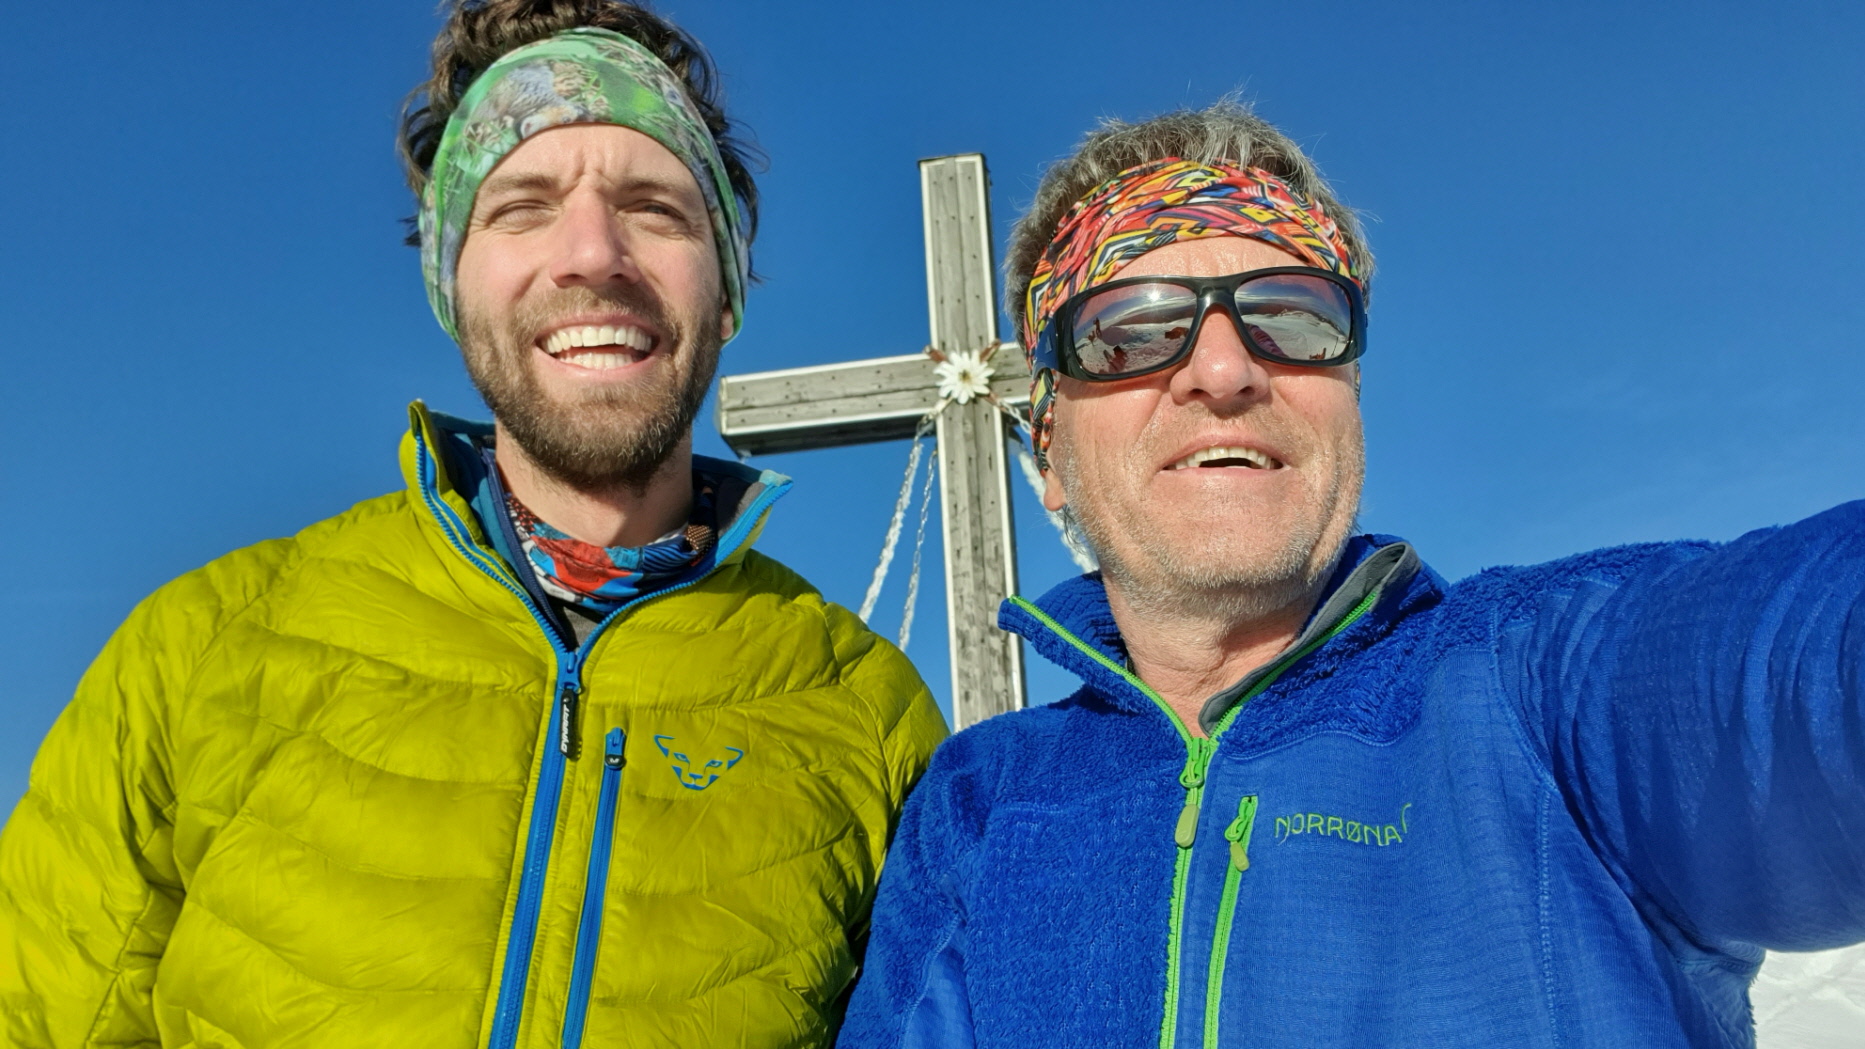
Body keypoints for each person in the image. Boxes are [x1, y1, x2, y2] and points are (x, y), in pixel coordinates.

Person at [0, 2, 946, 1045]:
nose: (591, 252)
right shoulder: (201, 650)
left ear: (724, 291)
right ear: (452, 287)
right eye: (522, 207)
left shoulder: (864, 716)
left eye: (654, 208)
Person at [839, 101, 1865, 1049]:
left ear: (1348, 396)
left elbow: (1791, 665)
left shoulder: (1534, 693)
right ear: (1049, 448)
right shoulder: (981, 806)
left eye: (1290, 316)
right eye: (1129, 330)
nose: (1224, 368)